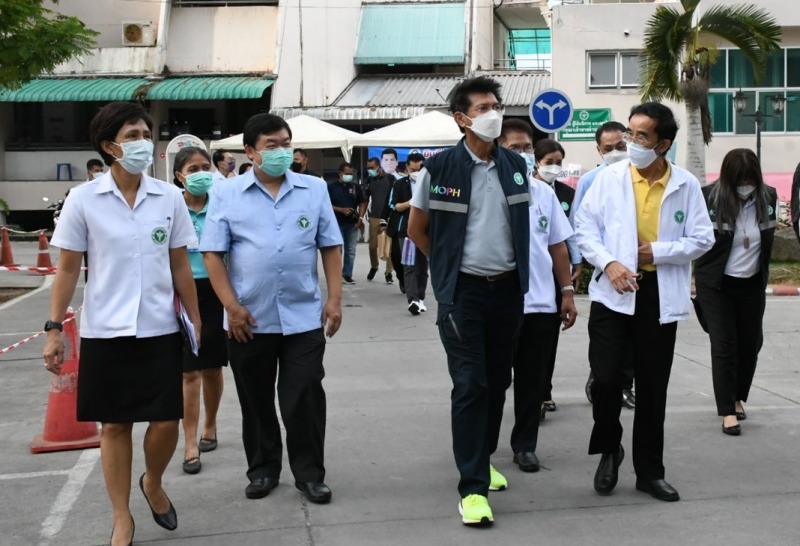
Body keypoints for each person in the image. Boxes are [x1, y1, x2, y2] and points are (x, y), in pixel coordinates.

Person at [43, 101, 201, 546]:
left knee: (167, 420)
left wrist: (196, 316)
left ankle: (152, 480)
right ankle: (121, 516)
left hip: (159, 327)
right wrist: (54, 328)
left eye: (145, 134)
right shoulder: (83, 199)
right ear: (109, 146)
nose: (142, 143)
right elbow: (69, 268)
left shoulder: (169, 196)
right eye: (132, 136)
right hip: (105, 330)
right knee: (113, 426)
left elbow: (181, 265)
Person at [200, 113, 343, 505]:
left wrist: (334, 298)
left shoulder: (313, 189)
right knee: (256, 399)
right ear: (251, 152)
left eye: (286, 144)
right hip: (249, 318)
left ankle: (310, 474)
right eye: (271, 146)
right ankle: (263, 470)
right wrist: (231, 307)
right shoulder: (227, 194)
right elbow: (212, 253)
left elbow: (330, 245)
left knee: (305, 395)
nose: (282, 152)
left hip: (303, 316)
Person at [575, 102, 713, 503]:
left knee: (653, 386)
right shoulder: (609, 179)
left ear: (663, 144)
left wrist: (658, 250)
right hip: (613, 290)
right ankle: (609, 449)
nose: (630, 142)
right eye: (629, 134)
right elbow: (585, 227)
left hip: (656, 293)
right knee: (605, 380)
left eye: (640, 136)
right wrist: (610, 262)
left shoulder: (685, 184)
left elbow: (702, 238)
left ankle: (650, 471)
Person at [408, 76, 530, 526]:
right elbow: (417, 231)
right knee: (470, 383)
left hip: (508, 290)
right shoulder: (438, 170)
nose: (492, 112)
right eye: (482, 107)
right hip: (464, 294)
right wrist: (446, 269)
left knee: (498, 382)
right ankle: (472, 489)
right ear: (461, 119)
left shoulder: (516, 165)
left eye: (496, 104)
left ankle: (483, 459)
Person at [498, 119, 577, 472]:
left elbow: (558, 246)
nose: (523, 154)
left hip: (541, 305)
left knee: (532, 382)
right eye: (514, 148)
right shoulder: (486, 191)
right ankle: (481, 445)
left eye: (527, 148)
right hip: (497, 304)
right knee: (493, 380)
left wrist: (567, 293)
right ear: (497, 150)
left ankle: (525, 444)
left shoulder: (544, 193)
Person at [694, 149, 777, 436]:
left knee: (751, 344)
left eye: (750, 179)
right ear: (729, 179)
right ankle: (727, 411)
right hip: (716, 284)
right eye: (739, 180)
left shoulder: (768, 197)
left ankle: (738, 396)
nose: (745, 185)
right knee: (725, 345)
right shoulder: (709, 198)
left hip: (752, 283)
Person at [573, 121, 636, 410]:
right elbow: (581, 225)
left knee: (631, 339)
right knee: (607, 338)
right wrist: (597, 261)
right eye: (608, 149)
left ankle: (625, 385)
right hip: (604, 268)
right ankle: (599, 378)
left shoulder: (640, 176)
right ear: (598, 150)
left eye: (620, 147)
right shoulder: (591, 181)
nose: (615, 152)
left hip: (637, 270)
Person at [172, 147, 227, 475]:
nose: (201, 173)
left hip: (216, 292)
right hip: (181, 293)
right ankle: (189, 441)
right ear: (180, 175)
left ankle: (211, 424)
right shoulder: (171, 206)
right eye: (193, 168)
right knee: (188, 371)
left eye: (206, 167)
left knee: (212, 368)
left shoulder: (221, 206)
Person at [530, 138, 582, 415]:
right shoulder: (523, 189)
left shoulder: (564, 193)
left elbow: (567, 233)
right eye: (549, 162)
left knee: (549, 335)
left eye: (559, 163)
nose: (554, 167)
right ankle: (532, 390)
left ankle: (544, 390)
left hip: (556, 272)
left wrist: (577, 262)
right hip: (533, 272)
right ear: (537, 161)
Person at [387, 152, 427, 313]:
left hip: (426, 231)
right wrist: (412, 202)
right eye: (414, 169)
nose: (417, 172)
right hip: (407, 232)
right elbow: (395, 206)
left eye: (421, 169)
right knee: (409, 266)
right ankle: (413, 300)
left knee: (422, 267)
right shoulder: (400, 184)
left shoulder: (430, 183)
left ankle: (421, 297)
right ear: (407, 168)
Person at [328, 162, 367, 285]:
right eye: (346, 174)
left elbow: (362, 203)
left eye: (351, 174)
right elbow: (325, 205)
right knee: (337, 250)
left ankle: (347, 275)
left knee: (351, 250)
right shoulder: (331, 187)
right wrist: (341, 210)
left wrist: (360, 218)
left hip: (352, 224)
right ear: (340, 173)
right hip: (336, 223)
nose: (349, 176)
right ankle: (337, 275)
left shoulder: (356, 187)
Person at [364, 154, 395, 284]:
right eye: (368, 167)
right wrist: (362, 215)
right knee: (372, 246)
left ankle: (388, 272)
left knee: (389, 247)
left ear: (378, 166)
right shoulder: (369, 180)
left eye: (372, 167)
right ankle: (374, 266)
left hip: (389, 216)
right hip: (374, 216)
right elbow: (365, 199)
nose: (369, 169)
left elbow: (395, 196)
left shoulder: (390, 178)